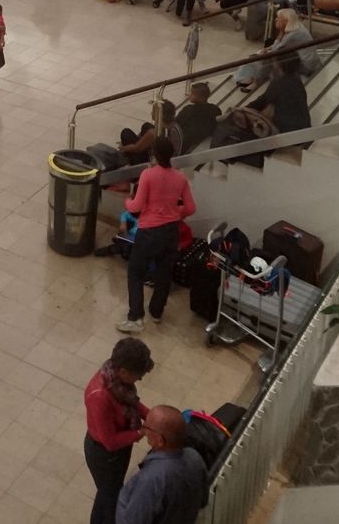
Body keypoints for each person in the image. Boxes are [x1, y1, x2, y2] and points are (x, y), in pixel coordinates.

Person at [117, 136, 195, 333]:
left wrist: (127, 202)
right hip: (171, 233)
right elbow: (191, 207)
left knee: (135, 272)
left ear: (154, 154)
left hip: (150, 231)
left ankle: (135, 317)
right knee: (164, 273)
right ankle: (156, 312)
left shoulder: (148, 175)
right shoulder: (180, 177)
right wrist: (175, 214)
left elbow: (136, 205)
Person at [83, 337, 155, 524]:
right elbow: (110, 441)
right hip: (105, 456)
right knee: (111, 500)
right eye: (137, 375)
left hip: (119, 449)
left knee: (108, 492)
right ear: (123, 371)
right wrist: (142, 432)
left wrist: (151, 415)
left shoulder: (117, 381)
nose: (139, 379)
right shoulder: (100, 397)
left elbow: (132, 403)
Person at [115, 405, 210, 524]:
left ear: (160, 440)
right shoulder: (194, 457)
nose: (143, 429)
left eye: (147, 427)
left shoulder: (151, 480)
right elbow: (203, 500)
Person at [234, 8, 316, 90]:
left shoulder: (294, 35)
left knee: (270, 57)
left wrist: (278, 35)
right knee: (266, 51)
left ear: (285, 21)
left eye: (278, 18)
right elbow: (277, 46)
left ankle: (256, 82)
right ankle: (250, 76)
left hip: (306, 67)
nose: (276, 19)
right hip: (301, 59)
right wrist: (266, 49)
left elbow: (276, 50)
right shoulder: (295, 27)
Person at [251, 53, 311, 134]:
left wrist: (246, 108)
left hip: (288, 129)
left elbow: (264, 100)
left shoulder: (279, 82)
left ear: (279, 64)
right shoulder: (296, 79)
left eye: (274, 61)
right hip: (304, 126)